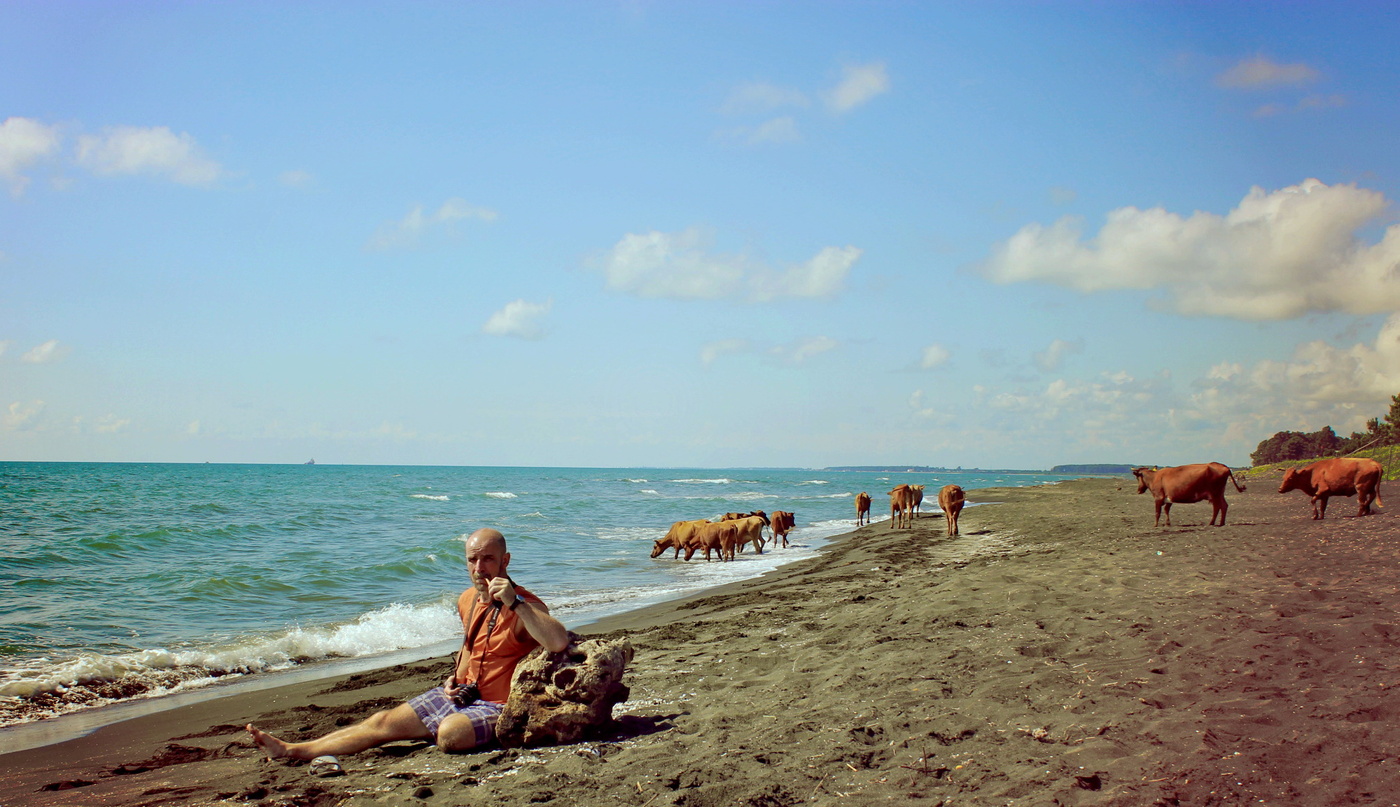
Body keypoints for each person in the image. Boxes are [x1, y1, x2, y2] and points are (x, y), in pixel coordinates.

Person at [246, 528, 569, 759]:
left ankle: (442, 727)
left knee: (449, 735)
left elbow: (557, 641)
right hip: (461, 696)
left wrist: (516, 604)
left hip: (499, 706)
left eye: (488, 559)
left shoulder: (524, 604)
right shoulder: (467, 599)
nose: (479, 568)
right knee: (381, 722)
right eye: (472, 559)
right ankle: (293, 750)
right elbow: (471, 647)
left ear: (505, 561)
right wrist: (455, 678)